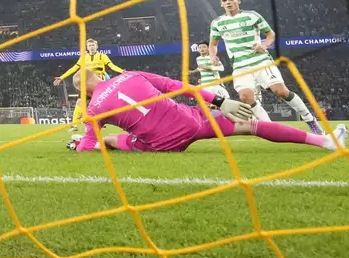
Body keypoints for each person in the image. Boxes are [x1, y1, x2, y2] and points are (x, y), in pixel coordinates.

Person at [68, 69, 345, 153]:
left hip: (160, 145)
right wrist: (221, 102)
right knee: (252, 126)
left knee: (109, 140)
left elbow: (87, 147)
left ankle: (109, 143)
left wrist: (84, 144)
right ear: (97, 74)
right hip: (191, 123)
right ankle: (325, 141)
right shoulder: (130, 74)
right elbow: (179, 86)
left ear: (84, 91)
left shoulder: (93, 107)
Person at [209, 0, 324, 134]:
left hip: (260, 60)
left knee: (280, 91)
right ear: (221, 4)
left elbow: (270, 34)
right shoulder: (217, 23)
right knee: (245, 98)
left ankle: (310, 120)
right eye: (224, 1)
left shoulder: (252, 16)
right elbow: (213, 45)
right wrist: (213, 56)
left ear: (238, 1)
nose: (228, 2)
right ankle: (271, 127)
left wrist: (263, 45)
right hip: (240, 65)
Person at [54, 39, 124, 131]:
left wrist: (123, 71)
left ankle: (99, 122)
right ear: (87, 47)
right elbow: (74, 68)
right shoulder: (84, 57)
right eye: (89, 45)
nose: (91, 47)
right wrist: (62, 77)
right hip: (86, 85)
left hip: (99, 85)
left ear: (97, 46)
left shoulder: (102, 56)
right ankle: (74, 125)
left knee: (98, 105)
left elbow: (112, 66)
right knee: (79, 102)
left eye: (93, 45)